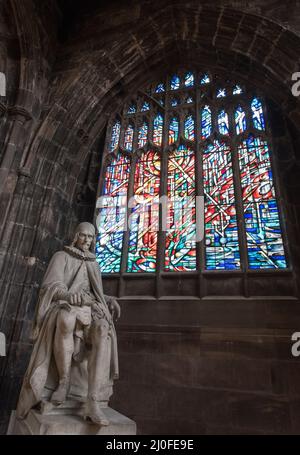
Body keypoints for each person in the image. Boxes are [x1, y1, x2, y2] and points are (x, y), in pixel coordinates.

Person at [16, 222, 120, 426]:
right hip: (65, 305)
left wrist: (108, 300)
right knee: (66, 319)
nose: (87, 241)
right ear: (75, 236)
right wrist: (69, 296)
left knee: (102, 329)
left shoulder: (93, 263)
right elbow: (50, 287)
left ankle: (92, 400)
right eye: (83, 236)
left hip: (90, 308)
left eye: (91, 237)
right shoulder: (61, 256)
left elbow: (95, 292)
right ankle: (63, 382)